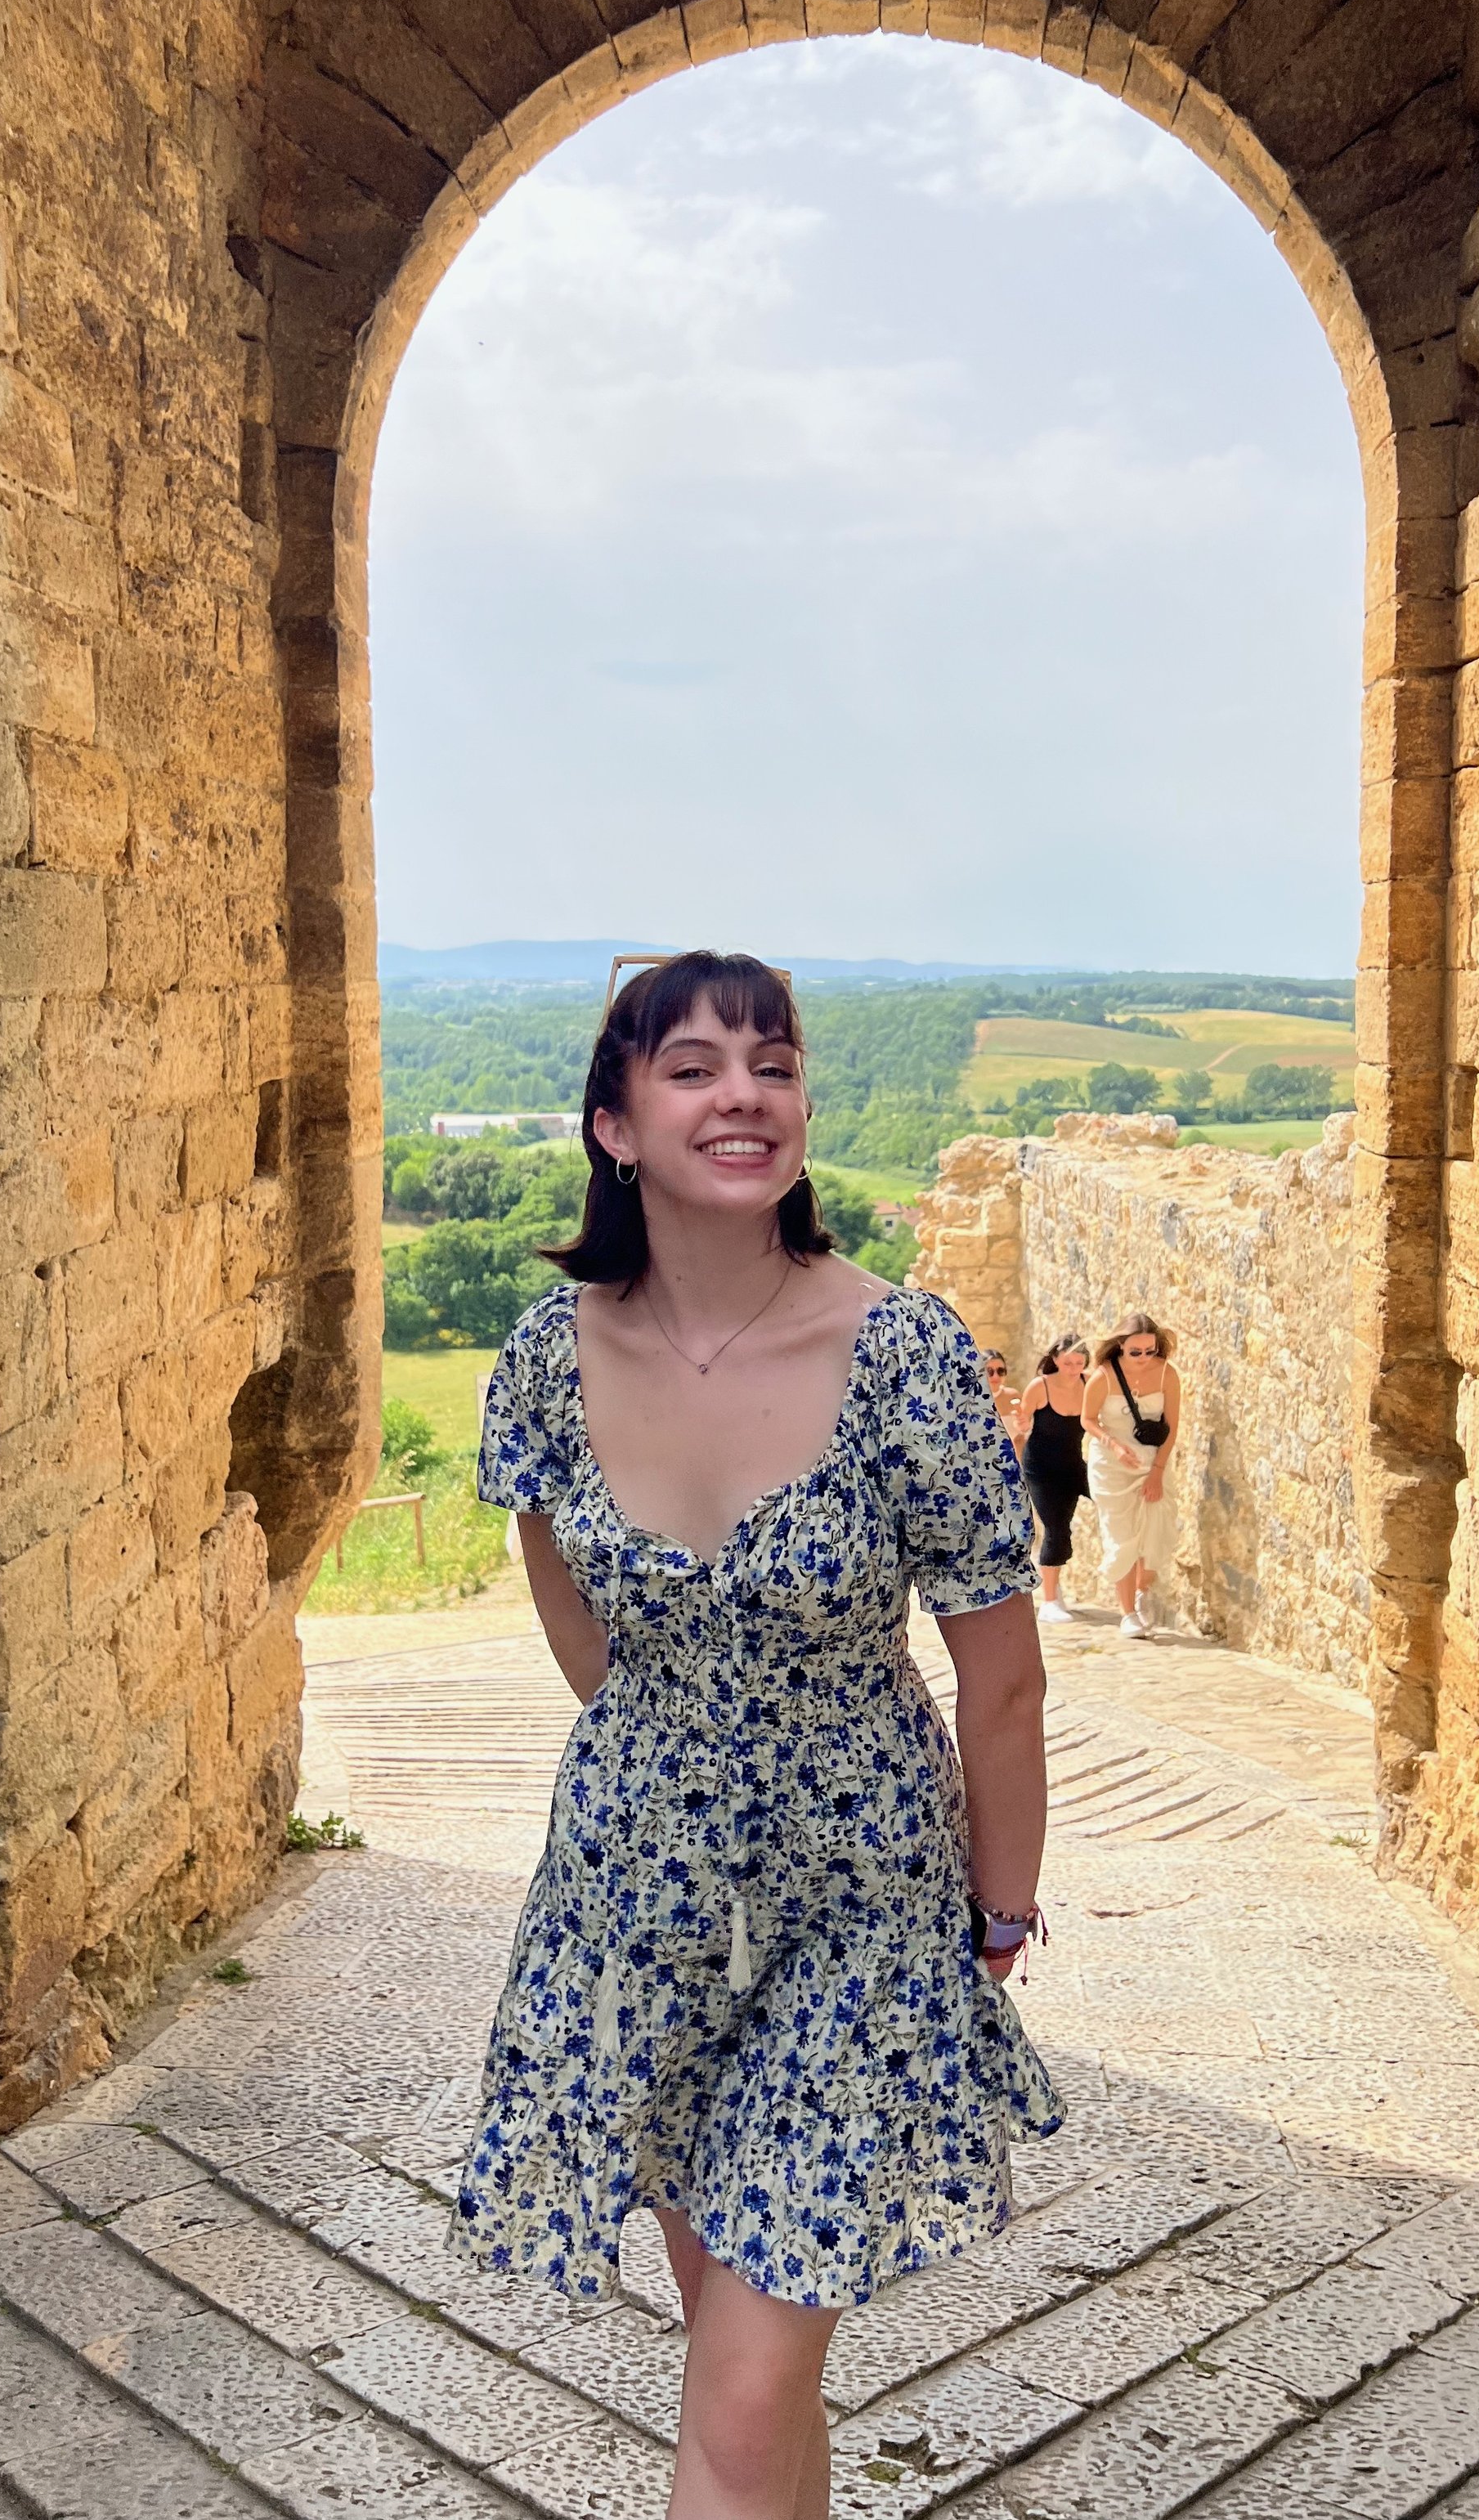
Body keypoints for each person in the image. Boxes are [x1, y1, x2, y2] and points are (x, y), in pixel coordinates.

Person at [456, 951, 1061, 2520]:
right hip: (634, 1905)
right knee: (748, 2372)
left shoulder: (907, 1356)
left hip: (864, 1905)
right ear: (614, 1124)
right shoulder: (544, 1354)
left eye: (773, 1063)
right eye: (696, 1066)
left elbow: (1001, 1674)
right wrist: (684, 1781)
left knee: (735, 2384)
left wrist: (999, 1905)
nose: (745, 1093)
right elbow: (584, 1630)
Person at [1082, 1313, 1181, 1637]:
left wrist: (1157, 1472)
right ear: (1121, 1347)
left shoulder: (1167, 1374)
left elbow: (1172, 1428)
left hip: (1153, 1462)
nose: (1143, 1358)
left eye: (1149, 1351)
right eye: (1135, 1352)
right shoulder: (1104, 1376)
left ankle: (1142, 1595)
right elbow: (1088, 1420)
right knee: (1122, 1537)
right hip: (1112, 1466)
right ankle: (1127, 1613)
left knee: (1156, 1532)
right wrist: (1114, 1445)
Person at [1016, 1337, 1089, 1625]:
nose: (1073, 1368)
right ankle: (1049, 1601)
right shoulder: (1041, 1386)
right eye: (1068, 1362)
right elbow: (1024, 1421)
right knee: (1056, 1528)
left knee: (1113, 1500)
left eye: (1079, 1363)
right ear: (1056, 1360)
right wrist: (1022, 1424)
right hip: (1041, 1470)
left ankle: (1054, 1583)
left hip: (1073, 1466)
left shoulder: (1090, 1383)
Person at [981, 1346, 1024, 1446]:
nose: (996, 1376)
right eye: (990, 1371)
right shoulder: (972, 1401)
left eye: (1000, 1371)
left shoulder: (1013, 1396)